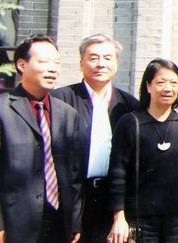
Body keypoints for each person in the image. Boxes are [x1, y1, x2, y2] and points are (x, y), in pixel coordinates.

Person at [0, 34, 83, 243]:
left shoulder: (67, 114)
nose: (53, 68)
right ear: (22, 64)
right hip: (15, 223)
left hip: (59, 221)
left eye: (56, 63)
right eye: (44, 62)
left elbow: (74, 174)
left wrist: (75, 220)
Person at [53, 34, 139, 243]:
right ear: (81, 63)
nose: (101, 64)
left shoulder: (129, 106)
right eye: (93, 58)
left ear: (116, 63)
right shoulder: (60, 100)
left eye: (108, 58)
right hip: (71, 197)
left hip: (112, 199)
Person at [107, 58, 178, 243]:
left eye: (174, 83)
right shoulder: (130, 123)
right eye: (161, 82)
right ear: (148, 86)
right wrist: (118, 217)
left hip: (176, 221)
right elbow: (118, 171)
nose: (168, 88)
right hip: (140, 220)